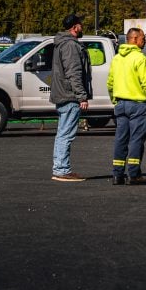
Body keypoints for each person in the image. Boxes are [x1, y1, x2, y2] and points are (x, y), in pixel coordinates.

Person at [108, 28, 146, 185]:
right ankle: (134, 174)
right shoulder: (140, 58)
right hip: (137, 105)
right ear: (134, 39)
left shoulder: (117, 58)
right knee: (136, 140)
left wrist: (115, 100)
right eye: (143, 38)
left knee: (120, 140)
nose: (145, 41)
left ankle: (117, 175)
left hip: (121, 105)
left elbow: (110, 82)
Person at [50, 14, 92, 182]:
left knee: (62, 133)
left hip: (62, 94)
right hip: (70, 96)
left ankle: (60, 168)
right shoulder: (70, 46)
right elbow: (74, 73)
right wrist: (82, 96)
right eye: (80, 25)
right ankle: (62, 169)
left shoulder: (61, 43)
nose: (82, 27)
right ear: (75, 27)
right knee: (66, 134)